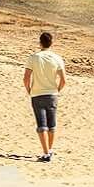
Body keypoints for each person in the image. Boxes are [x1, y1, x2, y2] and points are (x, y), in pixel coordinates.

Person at [23, 31, 66, 162]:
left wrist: (29, 90)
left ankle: (46, 152)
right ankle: (49, 150)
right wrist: (56, 90)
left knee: (42, 125)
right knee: (51, 124)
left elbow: (26, 78)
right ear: (51, 43)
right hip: (52, 94)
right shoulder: (57, 58)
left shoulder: (33, 57)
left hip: (37, 93)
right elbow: (63, 80)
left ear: (40, 42)